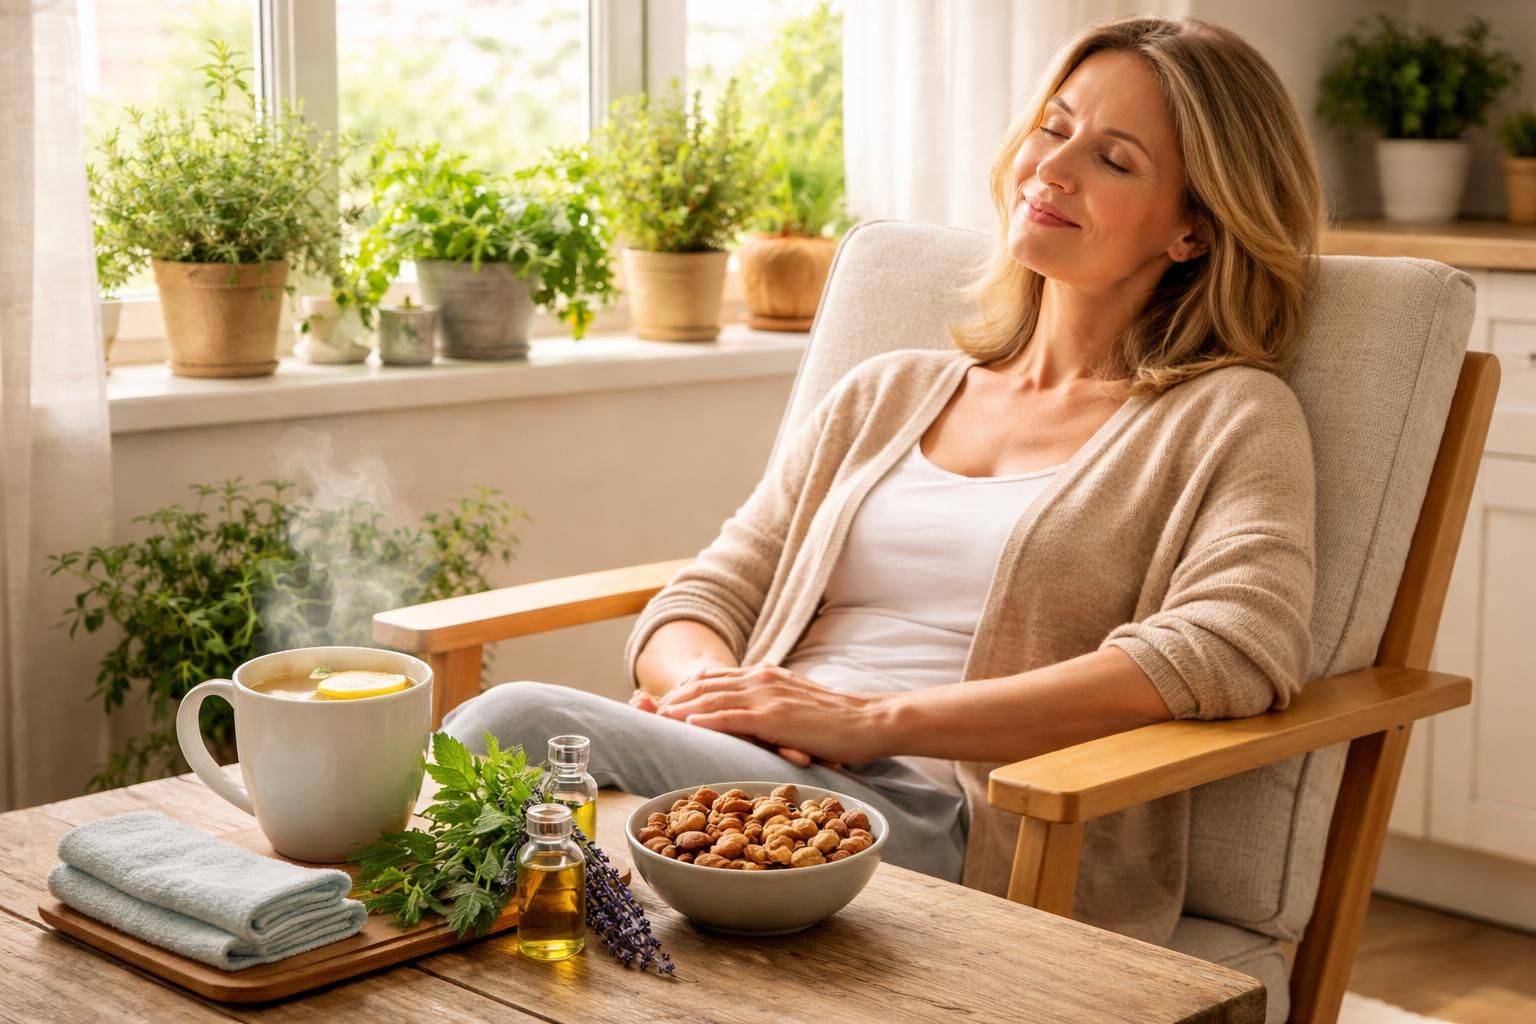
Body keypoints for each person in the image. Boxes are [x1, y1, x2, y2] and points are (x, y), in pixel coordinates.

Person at [444, 13, 1322, 947]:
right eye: (1053, 127)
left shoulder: (1227, 414)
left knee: (515, 720)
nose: (1053, 170)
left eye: (1114, 159)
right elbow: (709, 591)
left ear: (1192, 228)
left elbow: (1236, 646)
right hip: (766, 771)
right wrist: (725, 699)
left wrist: (871, 721)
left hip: (947, 819)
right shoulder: (889, 393)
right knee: (506, 769)